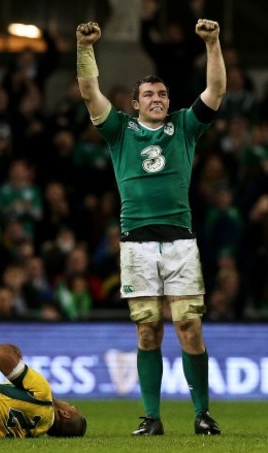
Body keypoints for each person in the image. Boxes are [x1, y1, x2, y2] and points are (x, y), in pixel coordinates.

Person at [75, 19, 225, 436]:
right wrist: (84, 48)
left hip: (180, 240)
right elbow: (89, 92)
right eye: (148, 95)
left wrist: (212, 42)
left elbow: (215, 91)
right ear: (136, 103)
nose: (156, 99)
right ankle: (151, 418)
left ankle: (202, 413)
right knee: (147, 329)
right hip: (137, 243)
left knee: (189, 326)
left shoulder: (185, 127)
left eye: (161, 94)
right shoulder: (120, 131)